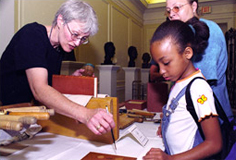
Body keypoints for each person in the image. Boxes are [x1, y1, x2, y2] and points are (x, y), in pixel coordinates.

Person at [0, 0, 115, 135]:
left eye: (83, 39)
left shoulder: (59, 47)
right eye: (75, 34)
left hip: (26, 113)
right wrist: (86, 114)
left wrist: (71, 80)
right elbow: (40, 90)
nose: (78, 42)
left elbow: (48, 87)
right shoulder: (32, 35)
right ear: (60, 21)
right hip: (5, 114)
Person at [143, 19, 222, 160]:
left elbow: (214, 144)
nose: (161, 71)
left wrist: (169, 159)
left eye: (166, 63)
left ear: (187, 53)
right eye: (158, 64)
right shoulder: (179, 83)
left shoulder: (199, 88)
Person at [165, 0, 233, 118]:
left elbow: (200, 83)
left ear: (194, 6)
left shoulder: (208, 30)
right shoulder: (181, 34)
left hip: (210, 116)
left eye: (176, 7)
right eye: (168, 10)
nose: (171, 14)